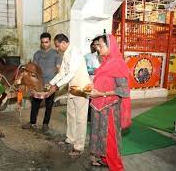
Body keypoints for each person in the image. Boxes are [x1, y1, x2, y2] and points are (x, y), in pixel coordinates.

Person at [89, 34, 131, 171]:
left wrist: (101, 93)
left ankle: (117, 168)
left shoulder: (117, 64)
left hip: (110, 109)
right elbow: (104, 82)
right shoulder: (106, 62)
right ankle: (105, 159)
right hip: (99, 106)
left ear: (110, 46)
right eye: (97, 46)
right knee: (101, 136)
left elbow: (124, 90)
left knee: (110, 140)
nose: (98, 48)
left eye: (101, 46)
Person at [48, 34, 92, 158]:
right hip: (73, 88)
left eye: (57, 46)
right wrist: (50, 83)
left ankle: (79, 147)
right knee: (71, 115)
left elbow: (71, 73)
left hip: (82, 88)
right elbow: (62, 72)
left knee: (80, 119)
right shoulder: (66, 53)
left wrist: (56, 87)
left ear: (63, 43)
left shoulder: (75, 52)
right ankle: (70, 139)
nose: (57, 49)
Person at [22, 32, 62, 132]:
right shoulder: (37, 54)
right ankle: (32, 122)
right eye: (43, 42)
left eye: (47, 42)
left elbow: (59, 69)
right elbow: (33, 69)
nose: (45, 44)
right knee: (35, 103)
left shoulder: (56, 54)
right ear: (40, 42)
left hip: (50, 84)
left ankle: (45, 124)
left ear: (50, 41)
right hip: (38, 84)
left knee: (49, 105)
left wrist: (55, 83)